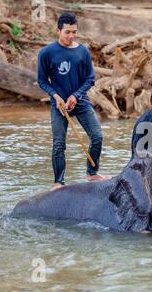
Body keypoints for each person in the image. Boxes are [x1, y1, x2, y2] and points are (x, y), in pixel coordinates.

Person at [37, 12, 110, 190]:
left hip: (80, 101)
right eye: (67, 32)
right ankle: (58, 181)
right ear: (58, 31)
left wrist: (75, 96)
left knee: (97, 136)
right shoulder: (46, 53)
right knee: (59, 143)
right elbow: (41, 81)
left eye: (74, 32)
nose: (71, 36)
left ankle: (92, 173)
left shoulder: (82, 51)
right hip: (59, 105)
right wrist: (55, 96)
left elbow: (90, 79)